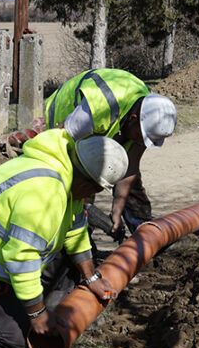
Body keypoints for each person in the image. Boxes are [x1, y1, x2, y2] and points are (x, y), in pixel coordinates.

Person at [0, 130, 129, 348]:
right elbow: (22, 258)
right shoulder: (43, 192)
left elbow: (75, 231)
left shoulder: (66, 170)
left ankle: (30, 304)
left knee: (70, 260)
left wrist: (91, 276)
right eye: (96, 189)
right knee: (14, 339)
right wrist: (37, 315)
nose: (94, 193)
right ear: (91, 183)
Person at [44, 68, 177, 237]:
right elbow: (60, 140)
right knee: (84, 182)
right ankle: (76, 239)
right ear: (133, 119)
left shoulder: (147, 118)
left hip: (110, 125)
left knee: (122, 173)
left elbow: (129, 168)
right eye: (142, 137)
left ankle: (145, 232)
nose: (142, 142)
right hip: (65, 120)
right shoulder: (100, 107)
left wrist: (117, 209)